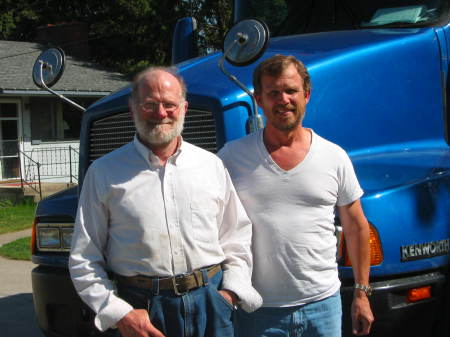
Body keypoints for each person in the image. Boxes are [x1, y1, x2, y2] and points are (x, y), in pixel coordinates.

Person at [69, 66, 262, 337]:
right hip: (141, 310)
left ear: (184, 107)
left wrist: (229, 293)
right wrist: (119, 312)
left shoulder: (211, 165)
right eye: (150, 104)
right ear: (132, 108)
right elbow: (84, 257)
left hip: (212, 305)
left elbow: (236, 236)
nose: (161, 113)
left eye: (169, 104)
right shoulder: (104, 173)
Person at [218, 54, 374, 337]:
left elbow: (356, 226)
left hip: (323, 307)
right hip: (256, 311)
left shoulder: (334, 157)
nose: (283, 100)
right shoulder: (231, 157)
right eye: (273, 92)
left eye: (291, 91)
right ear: (259, 99)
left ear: (307, 95)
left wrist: (361, 294)